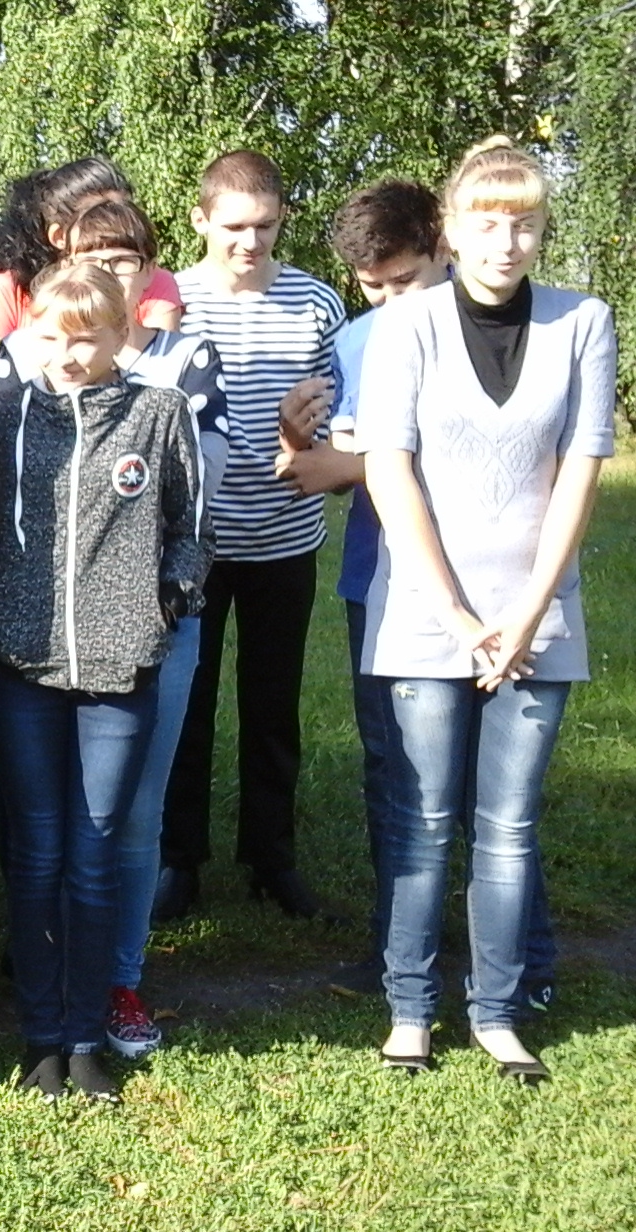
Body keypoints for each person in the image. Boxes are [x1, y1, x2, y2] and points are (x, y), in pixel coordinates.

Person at [354, 137, 615, 1083]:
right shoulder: (405, 326)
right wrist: (461, 619)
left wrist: (528, 613)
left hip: (538, 619)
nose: (507, 242)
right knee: (422, 821)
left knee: (507, 828)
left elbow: (580, 474)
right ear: (452, 231)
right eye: (488, 222)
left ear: (543, 230)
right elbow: (388, 473)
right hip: (427, 617)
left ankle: (499, 1015)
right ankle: (410, 1012)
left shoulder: (584, 321)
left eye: (526, 224)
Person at [297, 181, 560, 1006]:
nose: (389, 301)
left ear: (442, 250)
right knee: (400, 776)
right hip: (384, 585)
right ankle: (399, 955)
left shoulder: (510, 329)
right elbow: (325, 460)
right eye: (371, 286)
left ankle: (525, 961)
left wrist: (340, 463)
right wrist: (301, 441)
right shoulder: (358, 340)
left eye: (404, 280)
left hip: (500, 587)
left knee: (498, 789)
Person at [0, 199, 231, 1060]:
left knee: (94, 850)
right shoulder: (7, 416)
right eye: (53, 337)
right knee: (37, 850)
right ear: (33, 334)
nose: (69, 354)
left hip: (122, 669)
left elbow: (191, 527)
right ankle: (41, 1032)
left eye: (87, 338)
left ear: (121, 333)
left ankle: (88, 1032)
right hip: (24, 662)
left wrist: (163, 604)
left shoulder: (158, 413)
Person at [156, 151, 346, 922]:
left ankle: (272, 858)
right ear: (200, 219)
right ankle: (179, 861)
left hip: (284, 538)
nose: (250, 241)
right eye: (233, 226)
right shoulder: (170, 300)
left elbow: (340, 417)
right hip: (193, 544)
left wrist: (305, 440)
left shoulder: (316, 302)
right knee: (186, 706)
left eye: (265, 225)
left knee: (273, 708)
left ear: (282, 219)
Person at [0, 157, 186, 385]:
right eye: (96, 215)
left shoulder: (153, 279)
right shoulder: (4, 291)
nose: (113, 221)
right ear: (59, 236)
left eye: (121, 211)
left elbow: (165, 373)